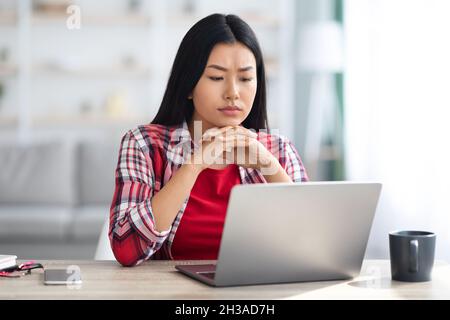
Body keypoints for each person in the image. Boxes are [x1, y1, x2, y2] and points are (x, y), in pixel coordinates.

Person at [109, 13, 308, 267]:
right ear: (189, 84)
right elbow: (125, 248)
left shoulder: (279, 150)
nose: (233, 93)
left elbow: (311, 246)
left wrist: (270, 166)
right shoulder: (144, 144)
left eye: (246, 78)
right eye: (216, 77)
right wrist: (194, 166)